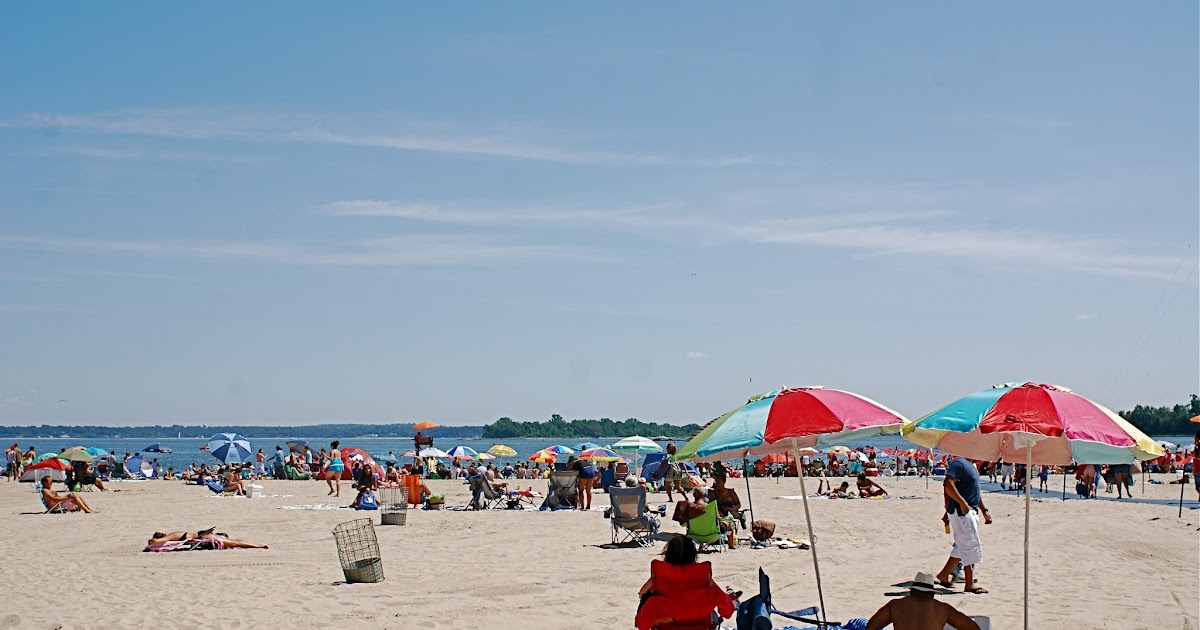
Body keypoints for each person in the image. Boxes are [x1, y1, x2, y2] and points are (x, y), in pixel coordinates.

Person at [635, 534, 737, 630]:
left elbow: (642, 594)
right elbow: (725, 606)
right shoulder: (700, 574)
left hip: (665, 626)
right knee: (711, 611)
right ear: (693, 554)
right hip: (700, 626)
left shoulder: (661, 574)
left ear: (668, 553)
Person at [935, 457, 990, 594]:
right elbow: (948, 484)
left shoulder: (971, 466)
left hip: (967, 511)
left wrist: (984, 510)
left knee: (962, 546)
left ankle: (944, 574)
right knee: (970, 545)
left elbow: (975, 492)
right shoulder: (959, 463)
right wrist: (962, 503)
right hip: (962, 513)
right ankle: (969, 583)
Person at [865, 572, 981, 630]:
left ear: (911, 591)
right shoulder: (943, 609)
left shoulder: (895, 605)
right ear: (932, 594)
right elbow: (972, 627)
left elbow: (871, 627)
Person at [147, 528, 267, 549]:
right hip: (202, 536)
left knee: (233, 543)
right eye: (158, 533)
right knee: (233, 543)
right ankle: (254, 545)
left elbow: (155, 541)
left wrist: (152, 541)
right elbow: (155, 542)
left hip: (203, 536)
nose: (161, 532)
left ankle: (256, 545)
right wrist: (153, 541)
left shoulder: (172, 535)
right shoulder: (171, 536)